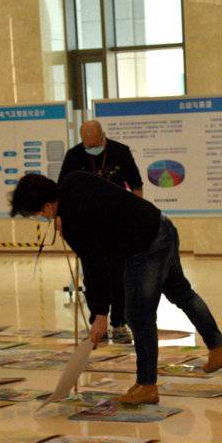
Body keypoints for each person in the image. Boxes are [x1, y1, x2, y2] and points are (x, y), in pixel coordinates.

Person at [10, 172, 222, 405]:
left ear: (47, 206)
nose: (42, 218)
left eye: (39, 214)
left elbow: (95, 268)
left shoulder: (75, 222)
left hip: (144, 246)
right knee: (182, 293)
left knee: (138, 315)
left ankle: (147, 385)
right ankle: (219, 348)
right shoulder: (74, 179)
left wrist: (100, 314)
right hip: (162, 226)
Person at [57, 120, 144, 344]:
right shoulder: (74, 155)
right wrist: (60, 217)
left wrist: (138, 213)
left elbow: (136, 184)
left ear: (103, 136)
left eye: (95, 144)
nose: (92, 148)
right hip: (87, 225)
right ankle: (98, 321)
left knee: (119, 274)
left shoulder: (120, 151)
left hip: (116, 222)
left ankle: (119, 323)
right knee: (93, 275)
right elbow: (61, 190)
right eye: (88, 145)